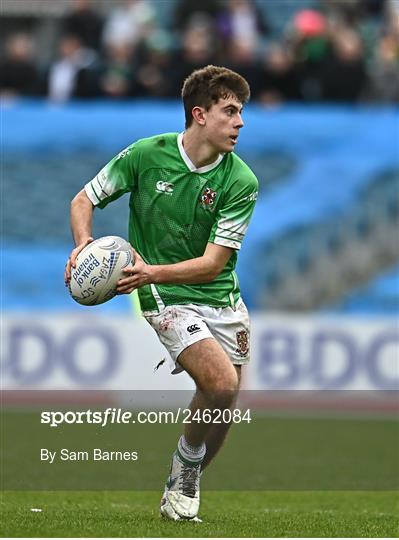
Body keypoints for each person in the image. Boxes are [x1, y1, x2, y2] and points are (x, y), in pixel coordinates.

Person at [64, 65, 258, 521]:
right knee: (221, 383)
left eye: (241, 112)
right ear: (200, 114)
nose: (240, 122)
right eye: (230, 111)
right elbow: (83, 200)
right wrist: (83, 244)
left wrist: (151, 271)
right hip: (164, 295)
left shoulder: (241, 181)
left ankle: (183, 476)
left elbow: (213, 264)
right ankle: (187, 471)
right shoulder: (146, 155)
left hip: (220, 295)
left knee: (224, 405)